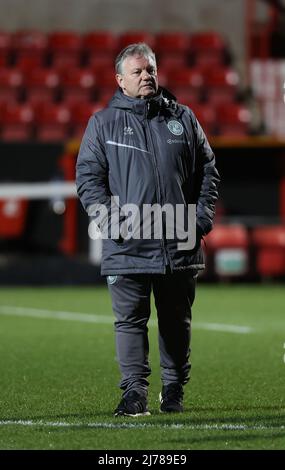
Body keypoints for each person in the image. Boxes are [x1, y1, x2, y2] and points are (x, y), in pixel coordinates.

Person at [76, 43, 220, 417]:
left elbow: (208, 171)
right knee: (129, 322)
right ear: (120, 79)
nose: (146, 77)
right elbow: (88, 180)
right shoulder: (102, 124)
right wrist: (111, 222)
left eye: (151, 70)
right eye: (138, 72)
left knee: (176, 321)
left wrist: (200, 219)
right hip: (128, 244)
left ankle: (173, 390)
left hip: (179, 239)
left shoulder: (184, 119)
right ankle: (134, 393)